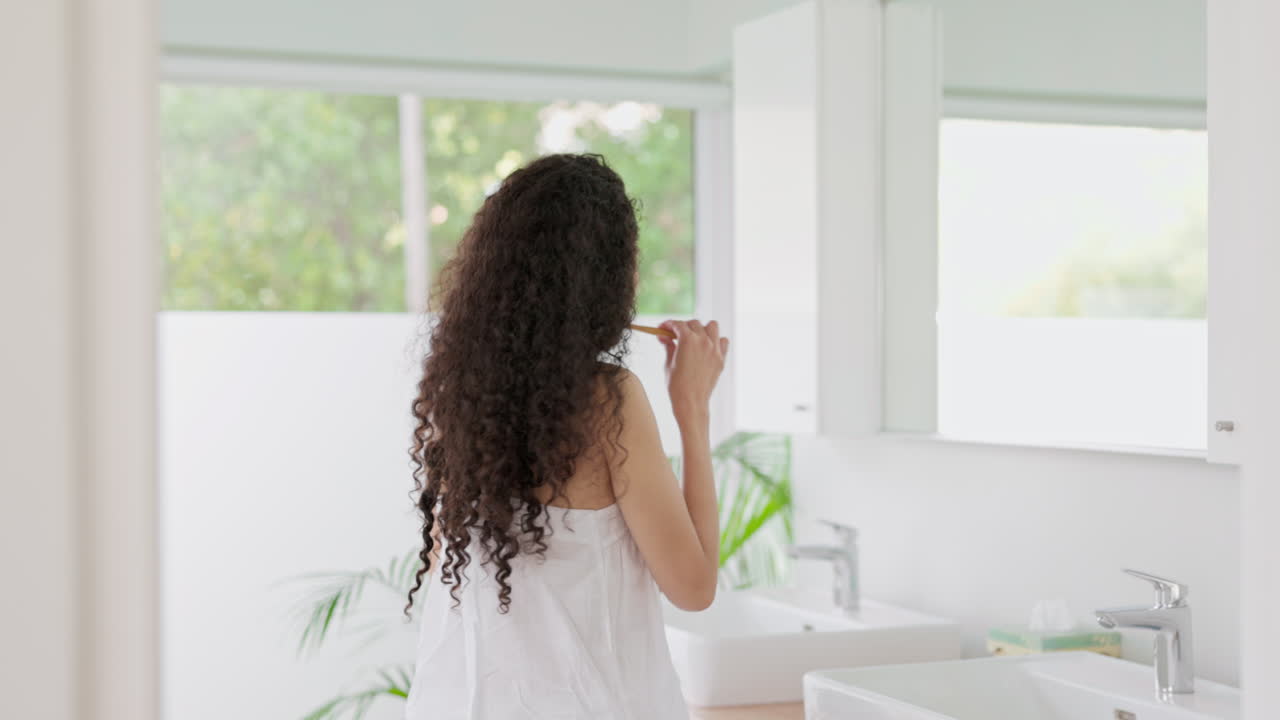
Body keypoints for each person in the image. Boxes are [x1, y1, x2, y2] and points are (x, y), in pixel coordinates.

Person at [403, 153, 729, 719]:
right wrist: (693, 409)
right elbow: (694, 589)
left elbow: (442, 564)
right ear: (601, 278)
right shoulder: (607, 401)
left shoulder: (457, 397)